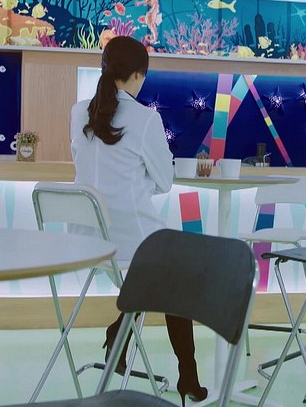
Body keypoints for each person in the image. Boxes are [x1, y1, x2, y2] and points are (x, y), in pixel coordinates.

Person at [70, 36, 207, 405]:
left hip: (87, 243)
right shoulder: (147, 119)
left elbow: (85, 170)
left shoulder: (77, 112)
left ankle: (119, 334)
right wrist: (137, 180)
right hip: (133, 242)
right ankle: (187, 374)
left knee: (155, 271)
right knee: (175, 273)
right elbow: (164, 181)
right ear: (137, 75)